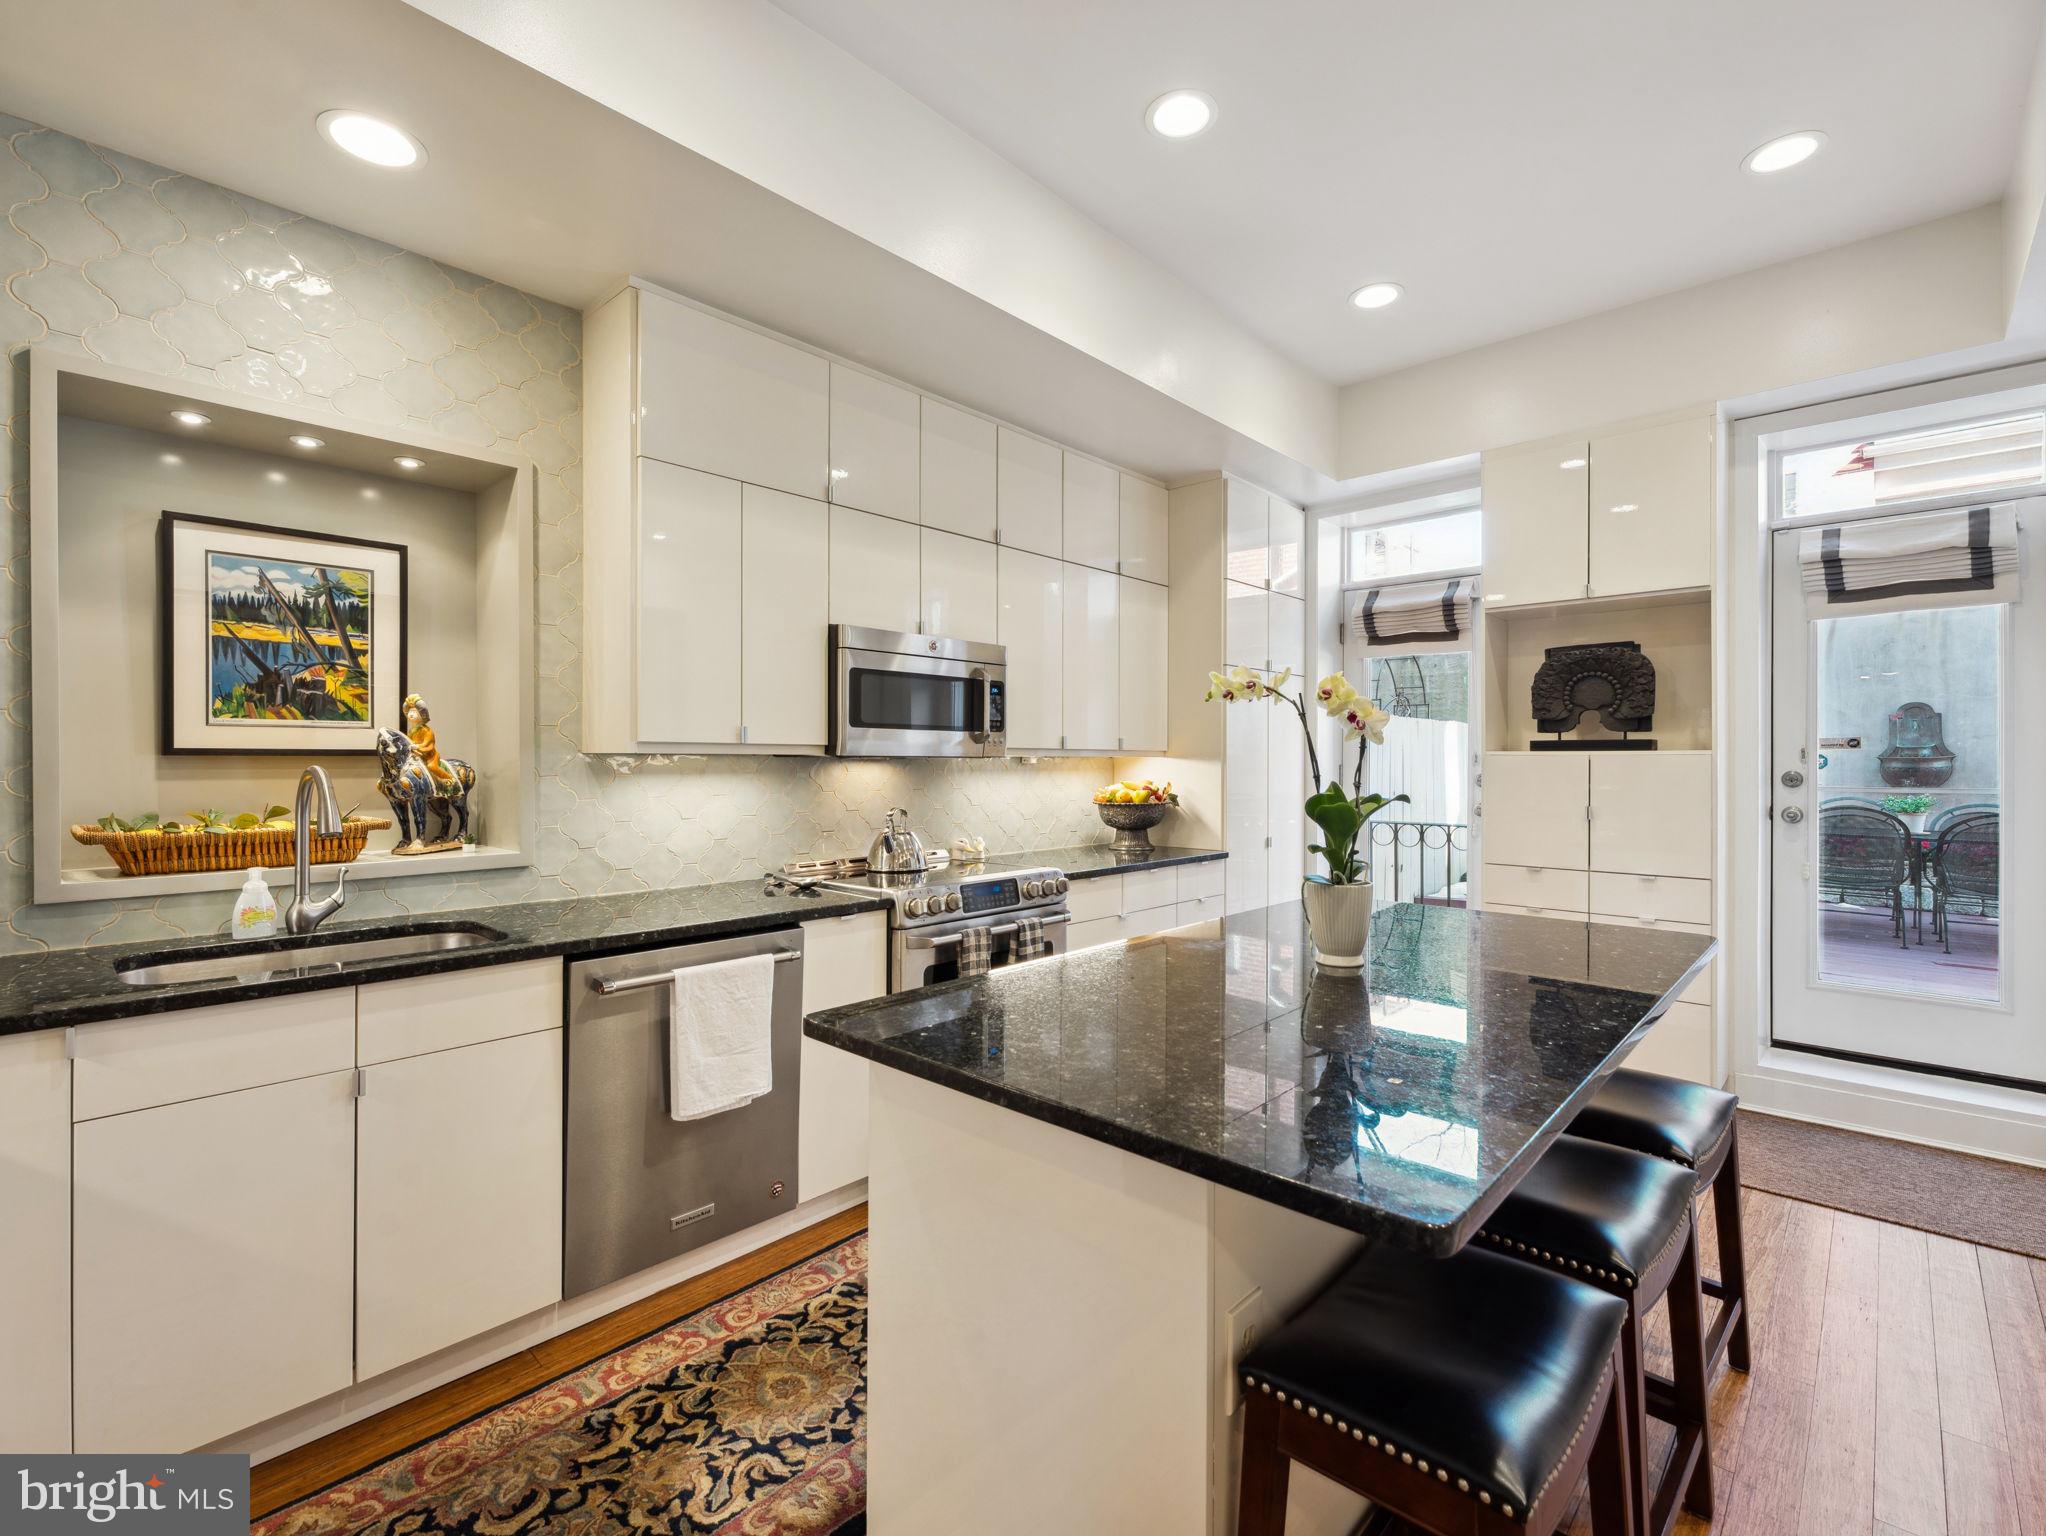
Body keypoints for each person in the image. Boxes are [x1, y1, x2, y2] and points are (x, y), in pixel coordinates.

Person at [402, 694, 458, 790]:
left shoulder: (427, 730)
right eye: (410, 711)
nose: (411, 714)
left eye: (414, 712)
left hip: (429, 756)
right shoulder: (411, 731)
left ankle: (449, 778)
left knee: (431, 767)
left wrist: (417, 746)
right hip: (416, 755)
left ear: (422, 715)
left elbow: (428, 745)